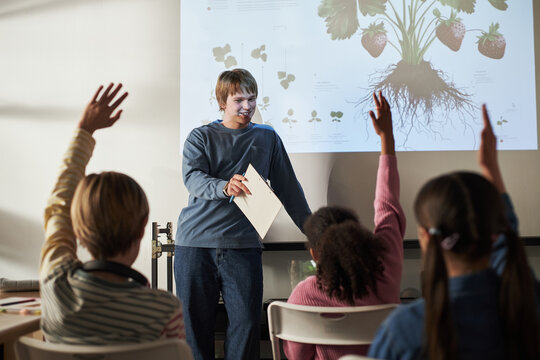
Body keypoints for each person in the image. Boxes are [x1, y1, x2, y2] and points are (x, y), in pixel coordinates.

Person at [368, 105, 540, 360]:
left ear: (426, 237)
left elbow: (506, 238)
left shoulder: (404, 331)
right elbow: (508, 242)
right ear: (493, 233)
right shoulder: (530, 307)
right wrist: (491, 168)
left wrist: (387, 141)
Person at [174, 68, 311, 359]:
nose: (247, 106)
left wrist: (313, 230)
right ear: (222, 101)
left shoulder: (268, 138)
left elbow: (289, 187)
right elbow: (193, 178)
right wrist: (225, 186)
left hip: (242, 246)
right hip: (195, 244)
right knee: (194, 330)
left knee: (247, 327)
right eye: (239, 100)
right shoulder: (200, 136)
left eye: (252, 99)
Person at [41, 83, 185, 344]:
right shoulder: (164, 310)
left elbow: (58, 206)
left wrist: (84, 130)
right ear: (143, 226)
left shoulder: (54, 285)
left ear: (78, 228)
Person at [283, 92, 405, 360]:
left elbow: (297, 357)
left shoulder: (306, 294)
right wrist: (387, 139)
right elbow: (387, 205)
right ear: (359, 236)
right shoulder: (388, 269)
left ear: (315, 254)